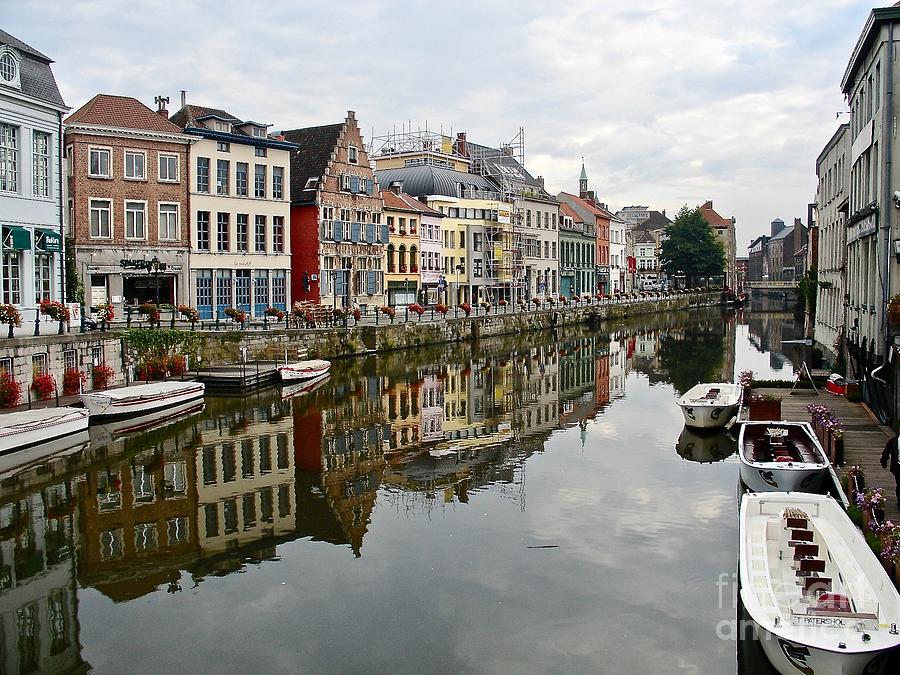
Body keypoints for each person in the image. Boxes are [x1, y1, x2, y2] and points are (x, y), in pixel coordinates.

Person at [881, 433, 900, 508]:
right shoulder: (893, 441)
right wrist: (883, 461)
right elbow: (886, 451)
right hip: (898, 466)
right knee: (899, 484)